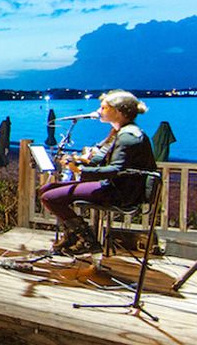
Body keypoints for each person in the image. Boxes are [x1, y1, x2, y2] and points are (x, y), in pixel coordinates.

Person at [40, 90, 158, 255]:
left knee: (50, 197)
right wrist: (78, 160)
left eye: (104, 108)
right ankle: (72, 236)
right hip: (115, 185)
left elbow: (116, 169)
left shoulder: (128, 137)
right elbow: (99, 159)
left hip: (120, 192)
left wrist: (80, 170)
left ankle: (87, 240)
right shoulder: (119, 132)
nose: (99, 111)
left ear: (118, 112)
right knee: (47, 189)